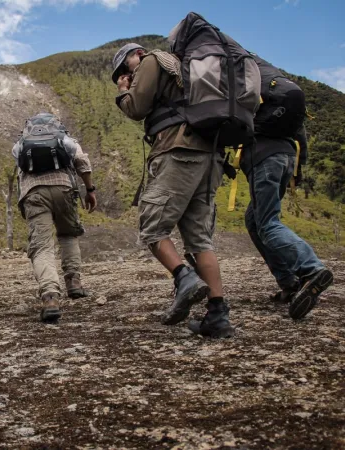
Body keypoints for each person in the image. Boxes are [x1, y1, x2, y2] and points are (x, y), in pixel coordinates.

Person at [112, 43, 234, 338]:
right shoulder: (184, 67)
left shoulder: (152, 60)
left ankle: (184, 277)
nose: (124, 73)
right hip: (211, 156)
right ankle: (217, 315)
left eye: (123, 67)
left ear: (136, 54)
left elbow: (136, 109)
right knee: (199, 239)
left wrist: (123, 91)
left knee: (152, 226)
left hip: (179, 150)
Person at [12, 113, 97, 322]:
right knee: (68, 234)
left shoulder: (21, 143)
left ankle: (50, 297)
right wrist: (90, 189)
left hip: (34, 193)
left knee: (42, 246)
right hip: (64, 189)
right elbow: (82, 162)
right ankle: (74, 282)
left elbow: (19, 170)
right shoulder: (65, 139)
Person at [242, 128, 334, 319]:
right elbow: (300, 131)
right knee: (253, 220)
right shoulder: (283, 100)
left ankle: (311, 269)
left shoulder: (253, 98)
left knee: (267, 223)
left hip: (264, 158)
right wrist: (298, 166)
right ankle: (289, 284)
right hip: (288, 157)